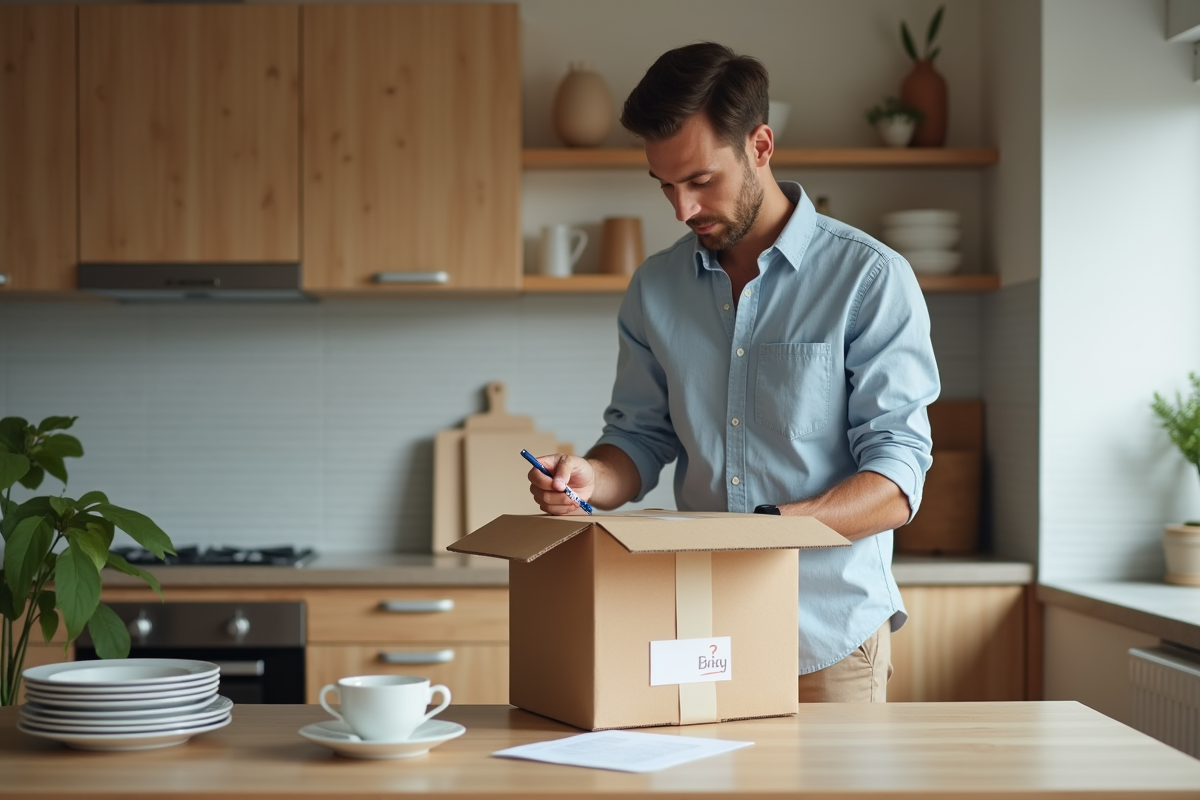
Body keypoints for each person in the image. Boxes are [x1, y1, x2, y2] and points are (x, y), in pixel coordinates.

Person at [525, 42, 939, 703]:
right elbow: (640, 438)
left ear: (761, 146)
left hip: (827, 638)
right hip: (698, 632)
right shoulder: (655, 288)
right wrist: (591, 479)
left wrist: (770, 529)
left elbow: (897, 479)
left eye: (700, 180)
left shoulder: (869, 278)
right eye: (665, 185)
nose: (682, 210)